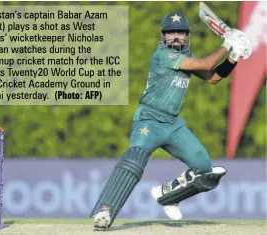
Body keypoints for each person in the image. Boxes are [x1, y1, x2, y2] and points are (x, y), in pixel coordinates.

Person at [89, 12, 252, 231]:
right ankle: (105, 211)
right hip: (149, 120)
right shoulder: (162, 56)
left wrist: (234, 57)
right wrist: (227, 44)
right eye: (171, 33)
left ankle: (168, 194)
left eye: (180, 33)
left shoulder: (187, 58)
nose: (175, 37)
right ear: (163, 37)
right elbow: (208, 61)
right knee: (134, 160)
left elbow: (214, 77)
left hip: (173, 125)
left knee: (205, 169)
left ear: (187, 37)